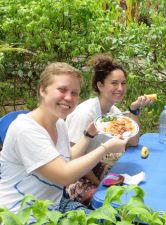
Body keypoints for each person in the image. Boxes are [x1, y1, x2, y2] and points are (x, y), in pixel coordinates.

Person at [0, 62, 128, 219]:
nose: (69, 97)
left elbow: (67, 158)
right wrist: (106, 147)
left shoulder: (59, 123)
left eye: (74, 93)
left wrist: (89, 135)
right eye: (62, 90)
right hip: (21, 213)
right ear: (42, 90)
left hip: (54, 203)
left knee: (113, 218)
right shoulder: (25, 130)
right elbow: (64, 175)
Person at [65, 53, 155, 206]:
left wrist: (134, 110)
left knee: (136, 182)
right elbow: (72, 160)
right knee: (112, 202)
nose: (120, 88)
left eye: (123, 83)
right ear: (100, 85)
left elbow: (132, 143)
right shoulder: (85, 114)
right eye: (114, 83)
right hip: (71, 177)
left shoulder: (113, 113)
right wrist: (98, 182)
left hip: (93, 165)